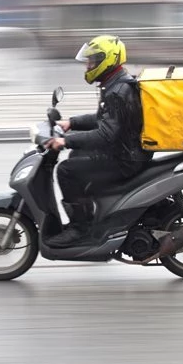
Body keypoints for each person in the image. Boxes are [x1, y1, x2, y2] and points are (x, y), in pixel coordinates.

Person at [43, 35, 153, 248]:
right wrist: (71, 123)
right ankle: (95, 218)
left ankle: (80, 229)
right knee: (76, 156)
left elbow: (106, 134)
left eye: (92, 61)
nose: (88, 65)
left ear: (107, 60)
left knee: (66, 171)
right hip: (127, 151)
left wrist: (65, 141)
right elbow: (104, 119)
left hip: (125, 159)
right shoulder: (116, 84)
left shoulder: (117, 91)